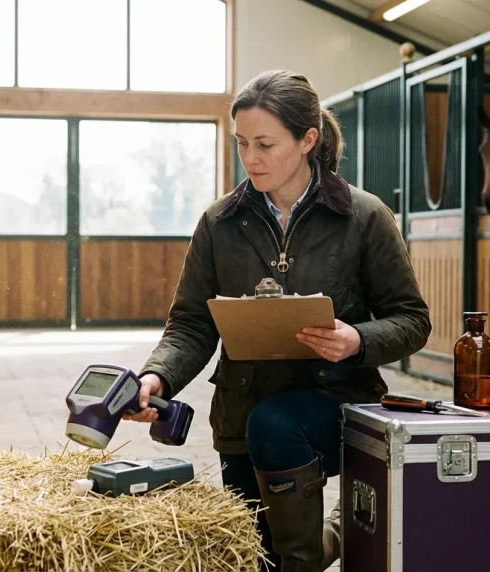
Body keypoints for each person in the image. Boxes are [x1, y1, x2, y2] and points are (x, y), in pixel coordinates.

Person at [123, 69, 431, 572]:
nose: (250, 158)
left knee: (277, 442)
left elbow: (412, 320)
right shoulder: (218, 223)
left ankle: (313, 551)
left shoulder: (365, 216)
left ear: (308, 139)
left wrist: (357, 339)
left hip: (335, 402)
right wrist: (157, 376)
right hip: (241, 410)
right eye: (242, 143)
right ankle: (326, 542)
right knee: (259, 556)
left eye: (265, 144)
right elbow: (191, 325)